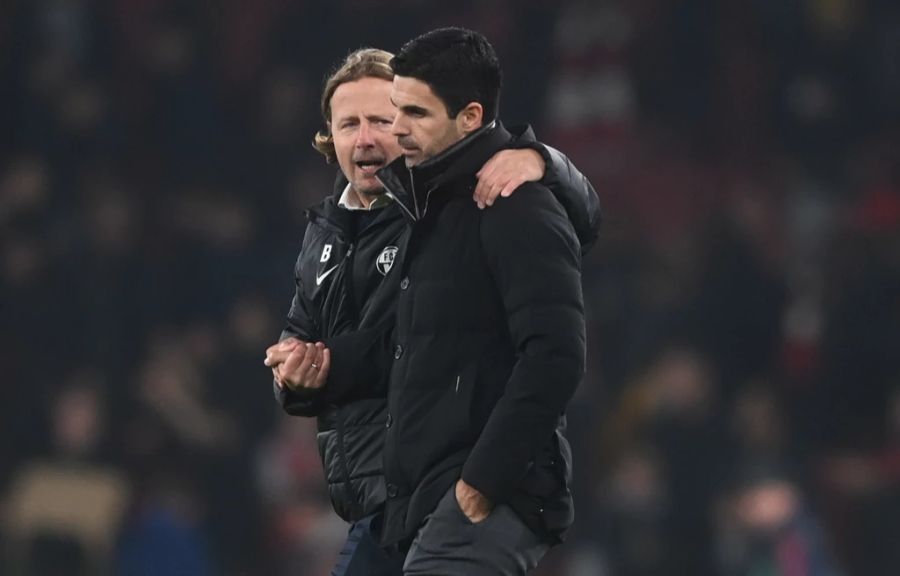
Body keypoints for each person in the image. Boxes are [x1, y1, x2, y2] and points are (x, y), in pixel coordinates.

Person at [263, 47, 600, 576]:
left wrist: (543, 160)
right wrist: (299, 376)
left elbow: (579, 218)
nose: (368, 136)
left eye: (383, 118)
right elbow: (330, 341)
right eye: (349, 123)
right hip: (375, 494)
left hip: (450, 475)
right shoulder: (322, 233)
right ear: (330, 137)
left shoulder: (449, 205)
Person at [369, 27, 588, 575]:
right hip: (428, 499)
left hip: (482, 500)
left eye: (416, 114)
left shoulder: (516, 206)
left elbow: (556, 356)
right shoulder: (430, 207)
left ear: (469, 117)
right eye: (396, 109)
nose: (397, 130)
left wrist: (481, 482)